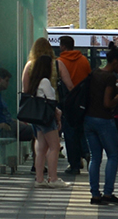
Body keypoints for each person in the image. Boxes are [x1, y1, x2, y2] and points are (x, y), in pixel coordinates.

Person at [21, 38, 68, 188]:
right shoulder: (46, 81)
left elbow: (25, 91)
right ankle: (53, 178)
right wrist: (58, 114)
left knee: (40, 146)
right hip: (47, 116)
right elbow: (51, 101)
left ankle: (39, 178)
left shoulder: (30, 70)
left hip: (36, 116)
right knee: (54, 146)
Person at [83, 49, 118, 206]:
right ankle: (108, 193)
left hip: (88, 119)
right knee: (113, 155)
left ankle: (95, 194)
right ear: (115, 61)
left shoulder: (94, 73)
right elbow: (107, 103)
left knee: (95, 157)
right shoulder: (108, 77)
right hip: (104, 120)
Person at [56, 37, 91, 176]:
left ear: (63, 46)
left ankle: (74, 165)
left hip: (67, 102)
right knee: (81, 129)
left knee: (70, 133)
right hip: (82, 101)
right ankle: (86, 151)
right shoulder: (83, 60)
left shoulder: (60, 62)